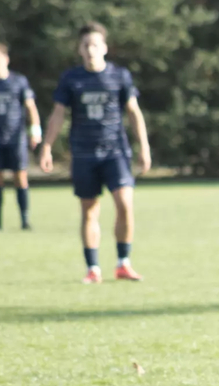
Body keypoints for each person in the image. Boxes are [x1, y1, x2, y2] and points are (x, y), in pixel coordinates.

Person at [40, 22, 151, 284]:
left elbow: (133, 112)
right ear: (79, 49)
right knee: (89, 211)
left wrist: (144, 146)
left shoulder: (119, 76)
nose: (91, 50)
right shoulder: (71, 79)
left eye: (95, 45)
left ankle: (123, 263)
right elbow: (58, 114)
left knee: (125, 205)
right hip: (84, 153)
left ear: (105, 48)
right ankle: (93, 268)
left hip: (115, 152)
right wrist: (46, 146)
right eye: (86, 45)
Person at [0, 41, 42, 231]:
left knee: (20, 177)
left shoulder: (19, 82)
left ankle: (24, 220)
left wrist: (35, 130)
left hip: (16, 138)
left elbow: (30, 107)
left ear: (6, 59)